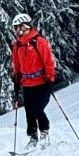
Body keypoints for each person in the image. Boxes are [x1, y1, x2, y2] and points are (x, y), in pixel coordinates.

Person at [11, 11, 57, 147]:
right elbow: (16, 63)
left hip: (41, 82)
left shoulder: (38, 41)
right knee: (29, 112)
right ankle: (33, 137)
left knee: (38, 109)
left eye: (20, 27)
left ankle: (44, 132)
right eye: (16, 28)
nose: (18, 31)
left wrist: (50, 78)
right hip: (27, 84)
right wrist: (16, 78)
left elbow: (48, 60)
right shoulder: (17, 45)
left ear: (26, 26)